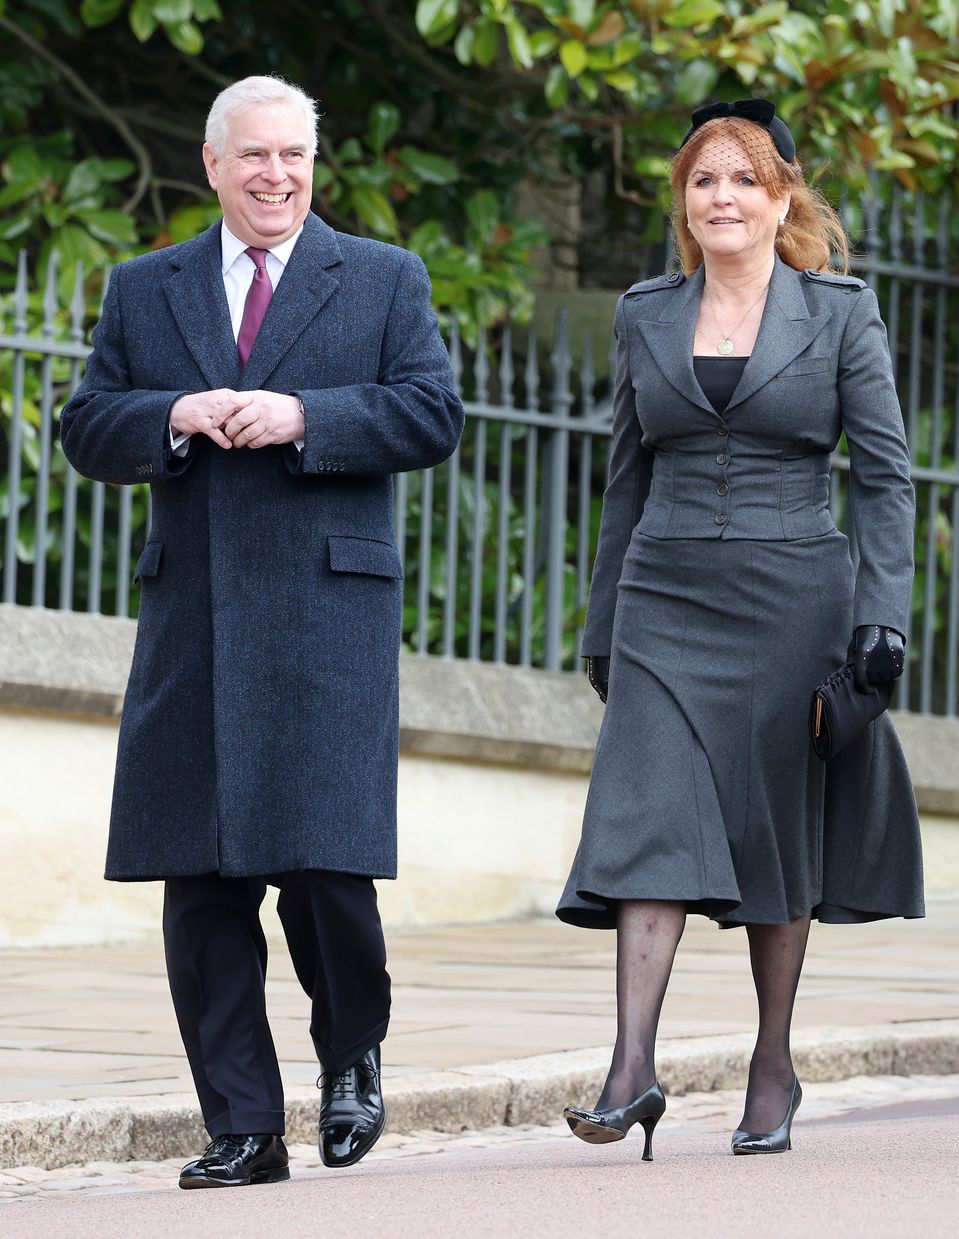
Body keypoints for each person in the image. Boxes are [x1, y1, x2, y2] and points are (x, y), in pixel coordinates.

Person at [60, 75, 464, 1188]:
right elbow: (87, 423)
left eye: (293, 156)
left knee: (326, 873)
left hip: (326, 614)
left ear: (312, 164)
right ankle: (241, 1125)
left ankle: (350, 1056)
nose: (275, 175)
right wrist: (170, 417)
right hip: (193, 618)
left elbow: (433, 411)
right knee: (200, 886)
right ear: (212, 165)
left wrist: (308, 417)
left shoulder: (381, 278)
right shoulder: (146, 289)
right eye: (254, 158)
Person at [557, 99, 922, 1160]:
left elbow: (887, 478)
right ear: (685, 202)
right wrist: (604, 619)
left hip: (791, 599)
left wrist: (879, 620)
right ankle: (630, 1070)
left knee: (774, 836)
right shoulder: (644, 314)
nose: (719, 197)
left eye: (741, 180)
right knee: (645, 822)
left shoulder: (839, 315)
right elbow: (623, 475)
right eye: (701, 180)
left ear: (780, 199)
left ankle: (772, 1060)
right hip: (663, 600)